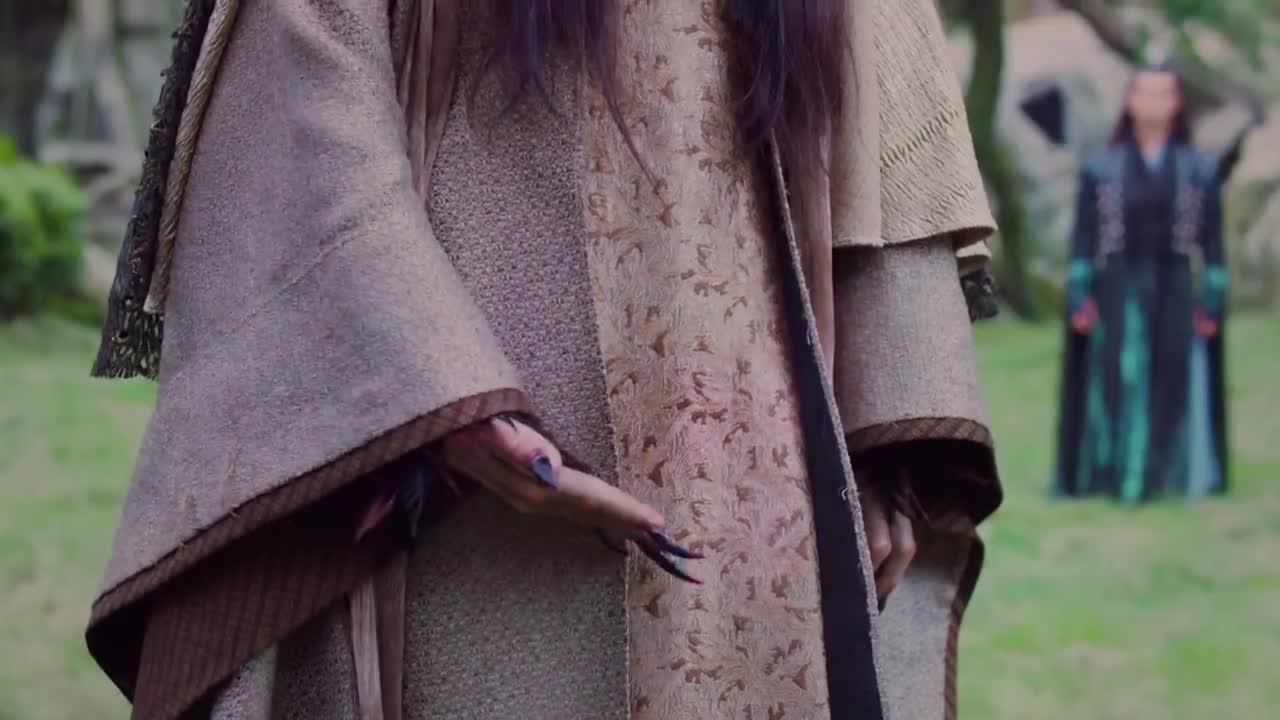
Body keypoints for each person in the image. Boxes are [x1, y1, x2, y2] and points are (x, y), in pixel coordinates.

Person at [86, 0, 1002, 718]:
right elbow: (304, 58)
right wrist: (440, 388)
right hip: (459, 479)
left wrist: (886, 426)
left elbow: (885, 67)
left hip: (763, 482)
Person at [1055, 64, 1229, 503]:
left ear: (1177, 103)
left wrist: (1211, 301)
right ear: (1130, 101)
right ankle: (1108, 470)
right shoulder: (1100, 168)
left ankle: (1170, 470)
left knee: (1174, 375)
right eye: (1145, 93)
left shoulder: (1200, 169)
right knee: (1115, 376)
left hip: (1176, 288)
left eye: (1163, 94)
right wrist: (1079, 295)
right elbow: (1083, 240)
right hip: (1116, 288)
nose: (1153, 102)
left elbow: (1214, 245)